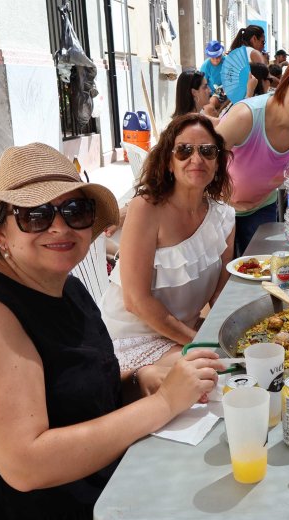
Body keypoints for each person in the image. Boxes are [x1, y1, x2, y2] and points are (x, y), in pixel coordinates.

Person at [0, 142, 222, 520]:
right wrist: (162, 404)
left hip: (102, 492)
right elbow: (26, 463)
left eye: (75, 211)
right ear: (0, 232)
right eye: (35, 215)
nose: (59, 227)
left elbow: (76, 394)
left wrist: (141, 381)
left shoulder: (66, 288)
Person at [101, 114, 234, 382]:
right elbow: (135, 302)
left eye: (207, 151)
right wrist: (199, 342)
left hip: (180, 334)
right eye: (184, 150)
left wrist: (227, 333)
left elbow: (219, 293)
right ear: (169, 162)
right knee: (217, 375)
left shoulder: (225, 217)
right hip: (132, 337)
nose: (196, 159)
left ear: (217, 163)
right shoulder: (146, 208)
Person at [215, 52, 289, 255]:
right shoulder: (245, 117)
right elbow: (204, 162)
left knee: (259, 273)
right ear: (286, 82)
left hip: (262, 209)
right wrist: (226, 201)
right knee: (220, 276)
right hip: (219, 208)